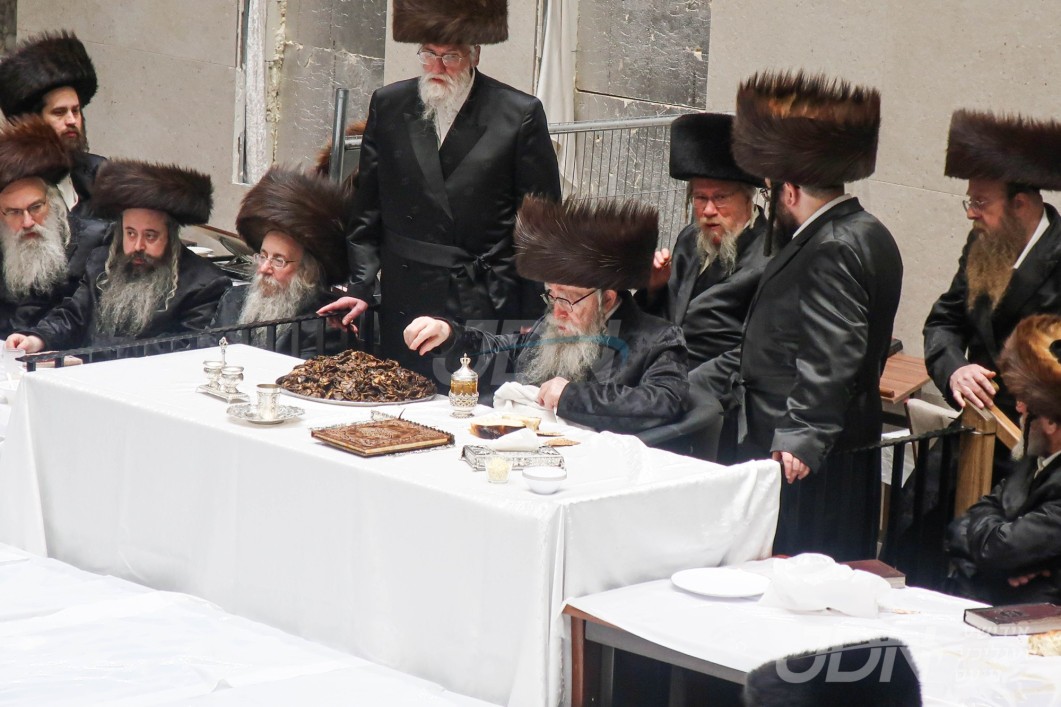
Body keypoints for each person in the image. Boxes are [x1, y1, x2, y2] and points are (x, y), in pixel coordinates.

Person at [694, 71, 903, 561]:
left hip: (801, 454)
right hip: (827, 442)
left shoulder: (831, 246)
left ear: (789, 191)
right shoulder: (869, 231)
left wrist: (802, 433)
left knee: (797, 570)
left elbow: (834, 350)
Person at [318, 0, 561, 378]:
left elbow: (540, 224)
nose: (437, 67)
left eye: (450, 57)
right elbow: (366, 210)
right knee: (403, 390)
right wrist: (361, 285)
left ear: (474, 55)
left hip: (481, 293)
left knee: (467, 396)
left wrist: (531, 311)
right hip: (407, 290)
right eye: (429, 54)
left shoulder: (519, 114)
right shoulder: (390, 103)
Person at [403, 197, 688, 434]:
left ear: (608, 299)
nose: (558, 310)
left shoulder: (657, 339)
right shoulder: (555, 322)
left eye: (569, 298)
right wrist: (449, 335)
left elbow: (664, 401)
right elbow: (503, 351)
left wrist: (572, 396)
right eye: (552, 294)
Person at [924, 109, 1061, 426]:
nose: (971, 213)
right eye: (970, 201)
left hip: (1035, 436)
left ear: (1019, 205)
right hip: (977, 422)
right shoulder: (982, 243)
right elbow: (944, 321)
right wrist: (956, 370)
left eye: (981, 202)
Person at [6, 160, 230, 353]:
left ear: (171, 237)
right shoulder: (102, 262)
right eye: (130, 233)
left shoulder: (205, 284)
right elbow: (73, 316)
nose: (137, 246)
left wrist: (91, 358)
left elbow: (182, 347)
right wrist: (37, 339)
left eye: (150, 236)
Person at [637, 112, 770, 368]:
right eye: (700, 198)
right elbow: (661, 317)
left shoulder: (767, 257)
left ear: (747, 197)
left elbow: (754, 354)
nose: (708, 210)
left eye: (720, 198)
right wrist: (653, 288)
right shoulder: (690, 238)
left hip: (713, 383)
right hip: (657, 371)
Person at [946, 314, 1061, 604]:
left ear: (1050, 421)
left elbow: (998, 549)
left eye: (1026, 400)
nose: (1018, 407)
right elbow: (961, 527)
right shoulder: (1034, 462)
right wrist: (1006, 563)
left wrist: (997, 556)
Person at [211, 167, 349, 356]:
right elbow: (204, 353)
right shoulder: (232, 300)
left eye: (278, 260)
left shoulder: (324, 322)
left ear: (307, 272)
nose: (264, 268)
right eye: (262, 256)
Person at [0, 30, 106, 216]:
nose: (72, 120)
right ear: (32, 121)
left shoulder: (99, 174)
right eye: (59, 112)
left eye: (76, 110)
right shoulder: (8, 180)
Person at [0, 116, 81, 334]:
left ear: (53, 202)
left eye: (36, 207)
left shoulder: (94, 242)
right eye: (14, 212)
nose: (28, 222)